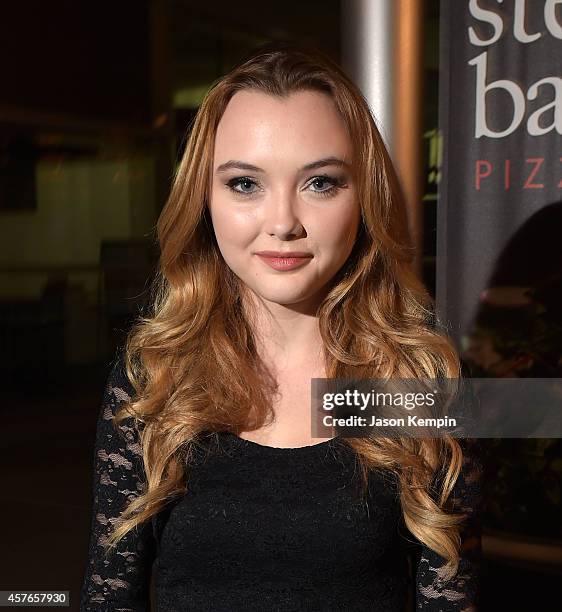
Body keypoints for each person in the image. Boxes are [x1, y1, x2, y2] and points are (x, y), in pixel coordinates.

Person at [79, 42, 482, 611]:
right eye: (245, 183)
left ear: (364, 196)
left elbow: (452, 599)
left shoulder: (417, 380)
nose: (283, 223)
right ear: (204, 199)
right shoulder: (154, 374)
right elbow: (107, 596)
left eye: (320, 183)